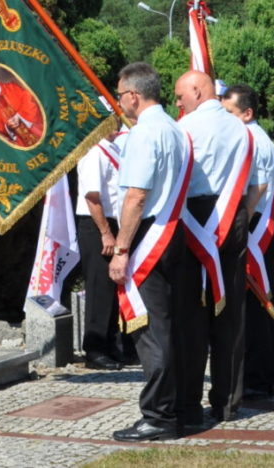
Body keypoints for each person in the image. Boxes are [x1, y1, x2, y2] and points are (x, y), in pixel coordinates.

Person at [108, 62, 191, 442]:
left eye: (120, 94)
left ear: (134, 96)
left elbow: (136, 197)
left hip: (150, 236)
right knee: (169, 325)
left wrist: (122, 249)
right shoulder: (175, 128)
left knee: (151, 329)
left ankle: (158, 416)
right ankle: (178, 406)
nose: (119, 101)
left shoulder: (145, 134)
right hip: (174, 232)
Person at [173, 70, 255, 428]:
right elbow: (252, 185)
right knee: (230, 311)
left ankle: (188, 403)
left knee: (192, 313)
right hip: (233, 214)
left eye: (180, 96)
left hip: (195, 216)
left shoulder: (186, 128)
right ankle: (228, 401)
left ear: (197, 90)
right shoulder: (242, 128)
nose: (177, 103)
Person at [221, 84, 274, 398]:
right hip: (256, 223)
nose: (226, 119)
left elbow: (255, 189)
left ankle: (259, 377)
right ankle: (265, 373)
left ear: (247, 113)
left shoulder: (254, 141)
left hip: (254, 225)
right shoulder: (253, 137)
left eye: (230, 113)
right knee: (259, 303)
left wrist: (237, 223)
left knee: (255, 304)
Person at [75, 120, 133, 370]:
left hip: (112, 223)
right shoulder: (94, 152)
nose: (116, 124)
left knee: (111, 288)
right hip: (96, 225)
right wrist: (106, 233)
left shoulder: (113, 149)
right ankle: (95, 349)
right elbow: (92, 196)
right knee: (99, 288)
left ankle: (111, 345)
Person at [0, 70, 44, 146]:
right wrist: (8, 126)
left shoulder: (10, 87)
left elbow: (28, 99)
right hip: (20, 139)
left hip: (35, 128)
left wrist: (19, 116)